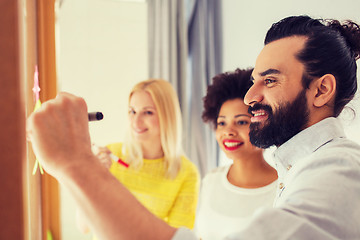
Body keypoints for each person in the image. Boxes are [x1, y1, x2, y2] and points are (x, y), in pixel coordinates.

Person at [26, 15, 360, 239]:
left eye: (269, 81)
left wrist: (75, 163)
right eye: (254, 81)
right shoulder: (295, 169)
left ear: (321, 90)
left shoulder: (339, 173)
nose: (249, 96)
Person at [77, 79, 200, 237]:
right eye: (132, 111)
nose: (136, 121)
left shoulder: (186, 173)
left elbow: (176, 237)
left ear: (167, 116)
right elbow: (84, 226)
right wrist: (94, 177)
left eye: (148, 112)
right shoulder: (108, 155)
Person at [194, 68, 278, 239]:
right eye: (222, 123)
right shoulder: (210, 180)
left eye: (241, 122)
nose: (228, 132)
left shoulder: (282, 188)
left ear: (262, 124)